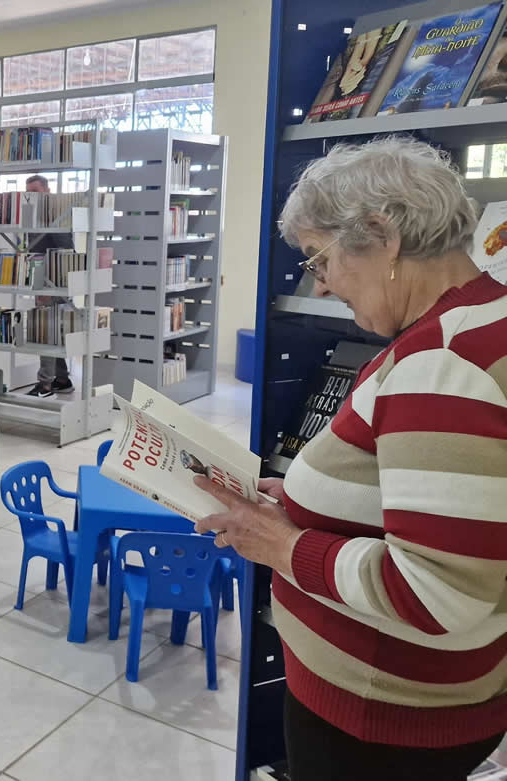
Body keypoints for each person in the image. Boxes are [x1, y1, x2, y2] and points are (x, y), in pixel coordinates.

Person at [194, 137, 507, 780]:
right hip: (429, 701)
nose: (322, 281)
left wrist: (278, 545)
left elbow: (437, 592)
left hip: (383, 717)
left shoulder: (439, 362)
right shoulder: (481, 322)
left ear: (380, 234)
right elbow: (447, 508)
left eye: (321, 258)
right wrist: (300, 499)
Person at [23, 174, 74, 397]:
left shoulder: (55, 214)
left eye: (36, 191)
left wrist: (52, 283)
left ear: (47, 189)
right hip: (40, 278)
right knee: (53, 331)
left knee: (46, 330)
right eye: (29, 192)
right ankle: (62, 379)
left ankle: (44, 384)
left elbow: (65, 250)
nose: (32, 196)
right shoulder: (33, 213)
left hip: (53, 281)